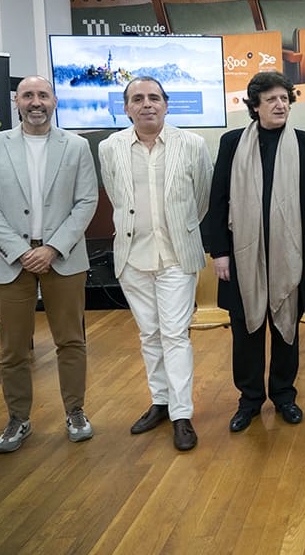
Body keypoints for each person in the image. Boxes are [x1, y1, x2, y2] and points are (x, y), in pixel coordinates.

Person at [0, 75, 98, 453]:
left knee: (71, 341)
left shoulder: (76, 147)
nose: (36, 101)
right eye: (28, 95)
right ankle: (18, 419)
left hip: (64, 257)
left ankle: (76, 411)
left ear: (54, 101)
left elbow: (86, 201)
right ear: (17, 102)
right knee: (13, 349)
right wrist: (21, 250)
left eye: (43, 94)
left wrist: (53, 248)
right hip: (10, 261)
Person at [99, 76, 213, 451]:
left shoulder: (192, 144)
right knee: (149, 334)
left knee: (175, 334)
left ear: (166, 104)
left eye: (153, 98)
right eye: (137, 99)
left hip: (177, 255)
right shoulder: (110, 147)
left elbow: (201, 199)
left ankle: (182, 414)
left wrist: (179, 229)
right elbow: (117, 196)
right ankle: (160, 402)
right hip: (132, 256)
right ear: (126, 107)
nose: (146, 104)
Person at [207, 72, 305, 432]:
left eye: (284, 99)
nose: (280, 105)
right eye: (271, 99)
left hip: (292, 253)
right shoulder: (232, 144)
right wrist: (220, 252)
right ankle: (250, 400)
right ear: (255, 106)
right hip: (244, 254)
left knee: (287, 327)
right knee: (246, 331)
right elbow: (218, 199)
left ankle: (285, 396)